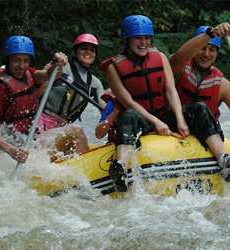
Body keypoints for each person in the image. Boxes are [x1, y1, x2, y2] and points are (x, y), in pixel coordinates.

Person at [102, 15, 189, 191]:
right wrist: (156, 122)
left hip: (164, 115)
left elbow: (171, 91)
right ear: (127, 39)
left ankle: (223, 158)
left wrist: (180, 119)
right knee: (129, 114)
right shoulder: (113, 67)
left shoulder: (161, 57)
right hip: (140, 120)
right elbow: (128, 102)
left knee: (199, 109)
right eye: (138, 38)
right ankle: (120, 167)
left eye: (147, 38)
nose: (144, 42)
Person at [169, 23, 230, 182]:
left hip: (204, 136)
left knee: (201, 109)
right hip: (174, 128)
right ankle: (223, 158)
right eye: (203, 48)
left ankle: (223, 159)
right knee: (200, 108)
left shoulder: (222, 84)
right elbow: (180, 55)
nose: (206, 54)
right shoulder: (178, 68)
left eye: (212, 49)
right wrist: (210, 34)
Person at [0, 35, 67, 163]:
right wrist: (11, 150)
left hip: (28, 137)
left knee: (74, 132)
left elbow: (49, 75)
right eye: (16, 60)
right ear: (7, 60)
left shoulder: (28, 73)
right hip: (8, 144)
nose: (21, 66)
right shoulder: (1, 87)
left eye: (26, 60)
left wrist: (57, 63)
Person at [39, 33, 105, 155]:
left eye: (92, 50)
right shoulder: (63, 67)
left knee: (75, 132)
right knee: (77, 131)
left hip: (63, 128)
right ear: (75, 51)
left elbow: (104, 108)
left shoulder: (95, 83)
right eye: (83, 48)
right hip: (42, 125)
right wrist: (55, 63)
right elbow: (43, 75)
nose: (88, 52)